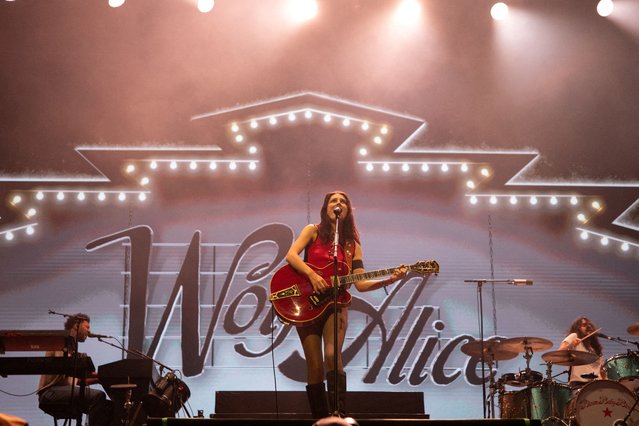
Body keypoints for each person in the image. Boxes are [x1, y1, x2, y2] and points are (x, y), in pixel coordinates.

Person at [285, 191, 407, 418]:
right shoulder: (312, 231)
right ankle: (320, 419)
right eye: (334, 200)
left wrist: (390, 279)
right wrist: (313, 276)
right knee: (314, 366)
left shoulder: (352, 245)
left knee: (331, 356)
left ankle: (338, 414)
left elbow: (359, 283)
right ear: (326, 208)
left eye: (343, 201)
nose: (338, 203)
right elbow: (291, 255)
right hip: (309, 304)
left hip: (336, 305)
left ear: (348, 210)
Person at [37, 313, 114, 425]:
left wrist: (99, 378)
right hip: (50, 393)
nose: (89, 331)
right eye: (87, 327)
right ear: (76, 326)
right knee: (98, 396)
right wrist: (98, 374)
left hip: (61, 390)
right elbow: (66, 369)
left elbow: (77, 380)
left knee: (108, 407)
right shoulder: (62, 340)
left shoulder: (71, 349)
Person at [558, 316, 606, 389]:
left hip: (597, 384)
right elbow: (559, 352)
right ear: (578, 328)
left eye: (590, 325)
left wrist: (606, 382)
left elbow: (601, 369)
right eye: (584, 325)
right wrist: (571, 345)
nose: (588, 326)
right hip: (579, 383)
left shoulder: (595, 347)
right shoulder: (574, 336)